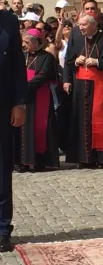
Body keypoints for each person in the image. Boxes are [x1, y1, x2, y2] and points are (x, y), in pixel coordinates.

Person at [64, 14, 103, 168]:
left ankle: (100, 158)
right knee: (81, 120)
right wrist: (75, 61)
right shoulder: (78, 39)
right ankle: (84, 158)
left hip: (99, 84)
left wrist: (97, 61)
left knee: (98, 120)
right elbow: (68, 61)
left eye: (84, 25)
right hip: (81, 86)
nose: (81, 28)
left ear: (93, 25)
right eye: (79, 25)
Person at [0, 9, 26, 252]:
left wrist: (19, 102)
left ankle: (2, 228)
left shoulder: (8, 20)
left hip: (3, 103)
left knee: (2, 168)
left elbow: (18, 64)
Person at [17, 29, 60, 172]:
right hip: (23, 96)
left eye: (27, 42)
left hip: (39, 96)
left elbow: (44, 75)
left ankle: (39, 161)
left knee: (39, 128)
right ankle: (22, 161)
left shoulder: (47, 57)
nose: (24, 45)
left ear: (36, 42)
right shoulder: (22, 56)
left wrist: (25, 86)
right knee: (22, 129)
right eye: (23, 41)